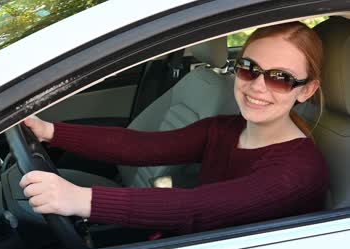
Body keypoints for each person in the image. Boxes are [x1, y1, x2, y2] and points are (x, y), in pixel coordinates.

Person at [19, 21, 329, 234]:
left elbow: (198, 208)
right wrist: (49, 132)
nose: (258, 87)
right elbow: (142, 147)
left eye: (280, 78)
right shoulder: (225, 129)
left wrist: (79, 199)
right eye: (249, 69)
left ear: (306, 90)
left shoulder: (298, 172)